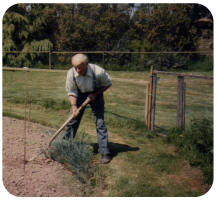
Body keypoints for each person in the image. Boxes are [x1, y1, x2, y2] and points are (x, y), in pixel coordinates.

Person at [64, 54, 112, 164]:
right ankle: (65, 145)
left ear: (87, 63)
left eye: (80, 67)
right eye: (75, 67)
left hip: (96, 94)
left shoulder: (98, 71)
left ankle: (105, 152)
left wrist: (96, 94)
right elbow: (71, 92)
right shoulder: (71, 73)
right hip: (79, 96)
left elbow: (108, 83)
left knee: (100, 123)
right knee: (72, 120)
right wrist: (74, 107)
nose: (77, 70)